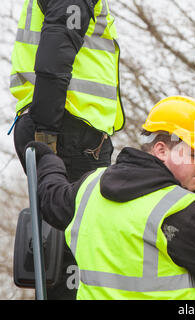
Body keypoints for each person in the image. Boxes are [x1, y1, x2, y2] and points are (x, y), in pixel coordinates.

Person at [26, 96, 195, 300]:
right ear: (161, 150)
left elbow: (51, 197)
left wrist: (46, 159)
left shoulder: (90, 187)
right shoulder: (181, 211)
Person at [10, 0, 124, 299]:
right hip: (67, 129)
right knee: (76, 239)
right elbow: (55, 57)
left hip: (62, 127)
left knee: (63, 238)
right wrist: (47, 136)